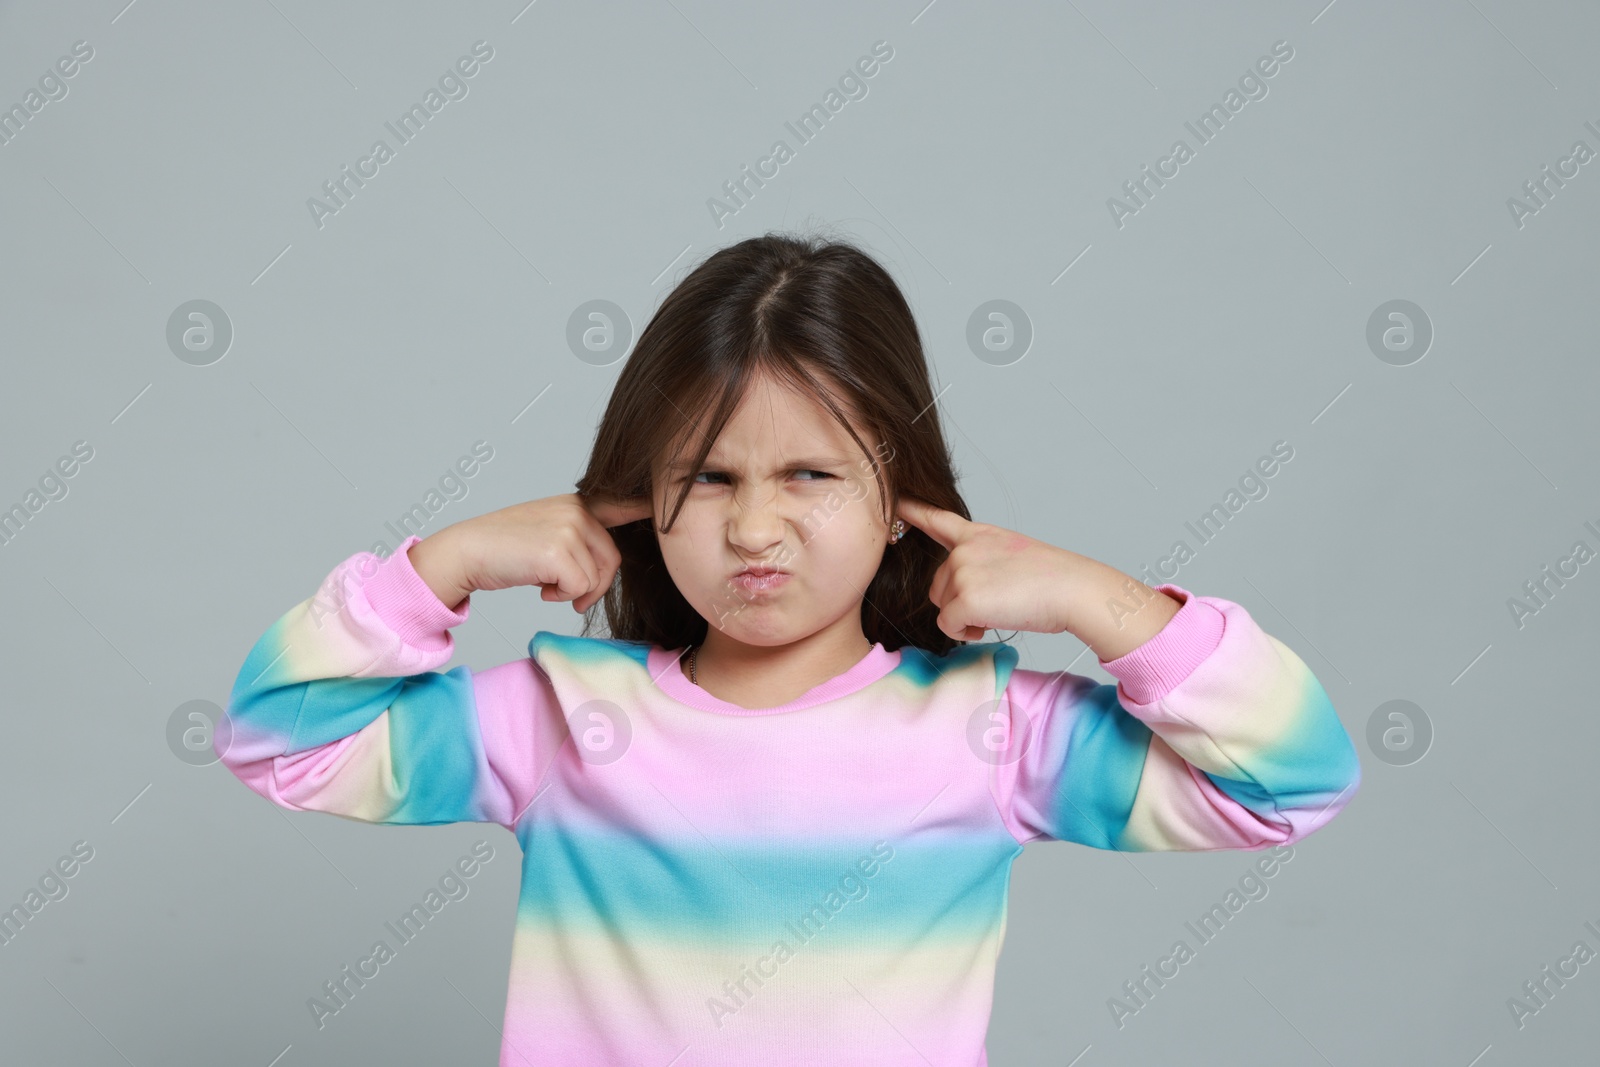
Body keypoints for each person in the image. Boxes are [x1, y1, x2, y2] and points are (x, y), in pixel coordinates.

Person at [216, 231, 1361, 1066]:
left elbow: (1290, 781)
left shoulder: (991, 732)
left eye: (809, 474)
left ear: (899, 493)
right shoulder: (559, 718)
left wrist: (1099, 600)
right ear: (640, 496)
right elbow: (278, 743)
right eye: (708, 477)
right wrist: (440, 565)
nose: (753, 527)